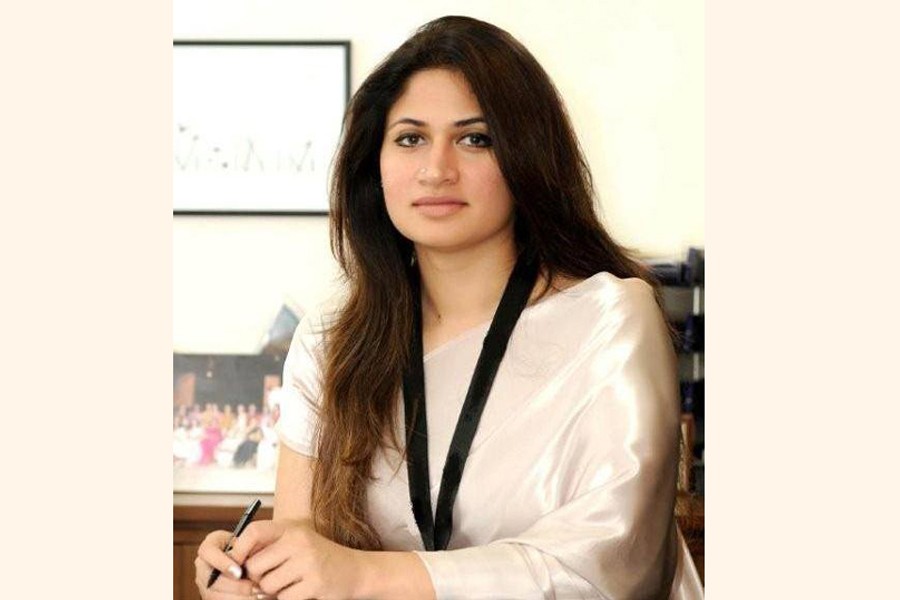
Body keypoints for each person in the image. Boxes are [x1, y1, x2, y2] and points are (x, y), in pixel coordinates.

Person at [195, 15, 703, 600]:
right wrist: (252, 577)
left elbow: (614, 567)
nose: (436, 169)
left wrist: (362, 575)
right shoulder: (329, 343)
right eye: (410, 139)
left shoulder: (611, 322)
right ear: (373, 164)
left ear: (527, 157)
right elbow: (302, 544)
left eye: (474, 139)